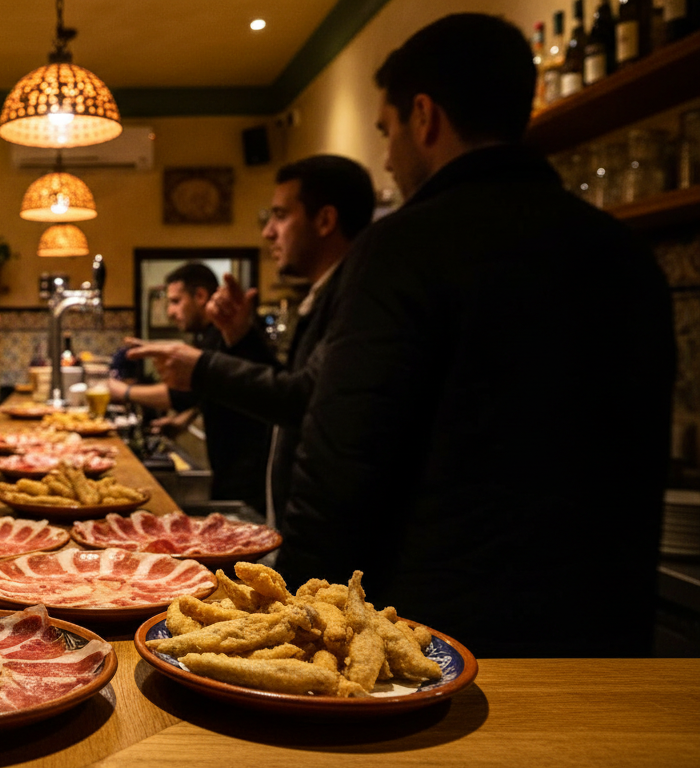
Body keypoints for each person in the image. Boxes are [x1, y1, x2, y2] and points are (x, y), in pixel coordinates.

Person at [284, 14, 676, 656]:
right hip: (603, 630)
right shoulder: (626, 254)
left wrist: (289, 617)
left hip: (437, 640)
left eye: (386, 132)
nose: (386, 154)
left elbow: (341, 463)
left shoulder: (404, 247)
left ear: (424, 116)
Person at [125, 156, 376, 527]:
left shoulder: (360, 295)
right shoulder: (329, 292)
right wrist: (242, 337)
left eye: (279, 216)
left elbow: (303, 400)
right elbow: (286, 386)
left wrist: (202, 367)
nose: (268, 232)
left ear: (325, 220)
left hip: (332, 521)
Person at [112, 262, 277, 513]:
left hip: (247, 468)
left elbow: (182, 393)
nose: (170, 311)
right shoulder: (209, 336)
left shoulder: (220, 335)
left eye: (176, 301)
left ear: (200, 296)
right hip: (228, 463)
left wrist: (121, 392)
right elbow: (214, 391)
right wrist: (185, 420)